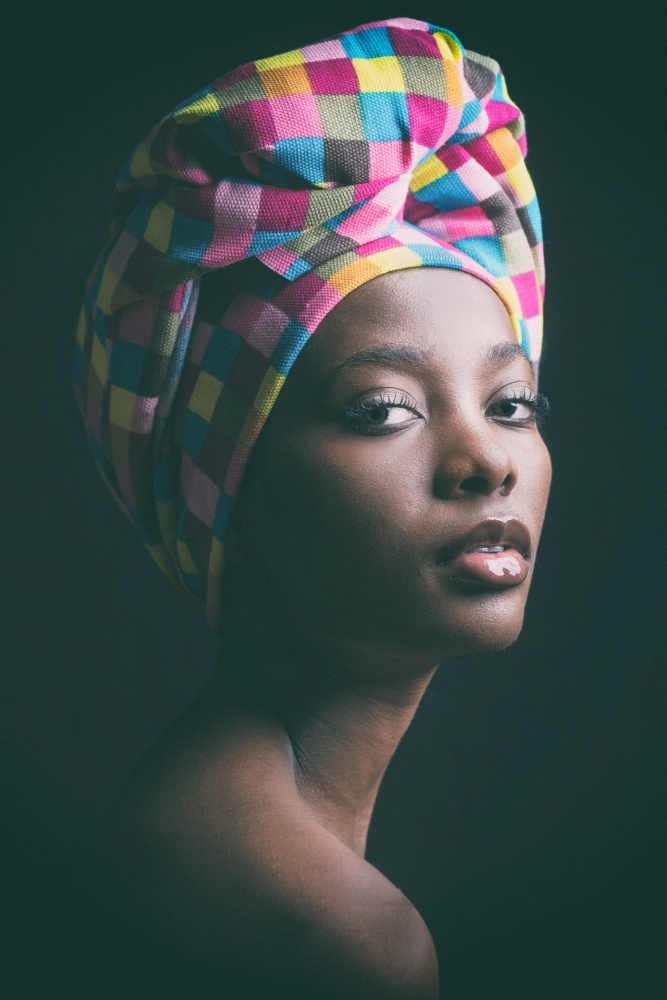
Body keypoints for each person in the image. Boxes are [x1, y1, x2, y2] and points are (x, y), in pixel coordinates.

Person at [74, 18, 551, 999]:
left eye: (510, 404)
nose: (485, 462)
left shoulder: (212, 826)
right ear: (232, 491)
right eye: (384, 410)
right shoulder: (338, 944)